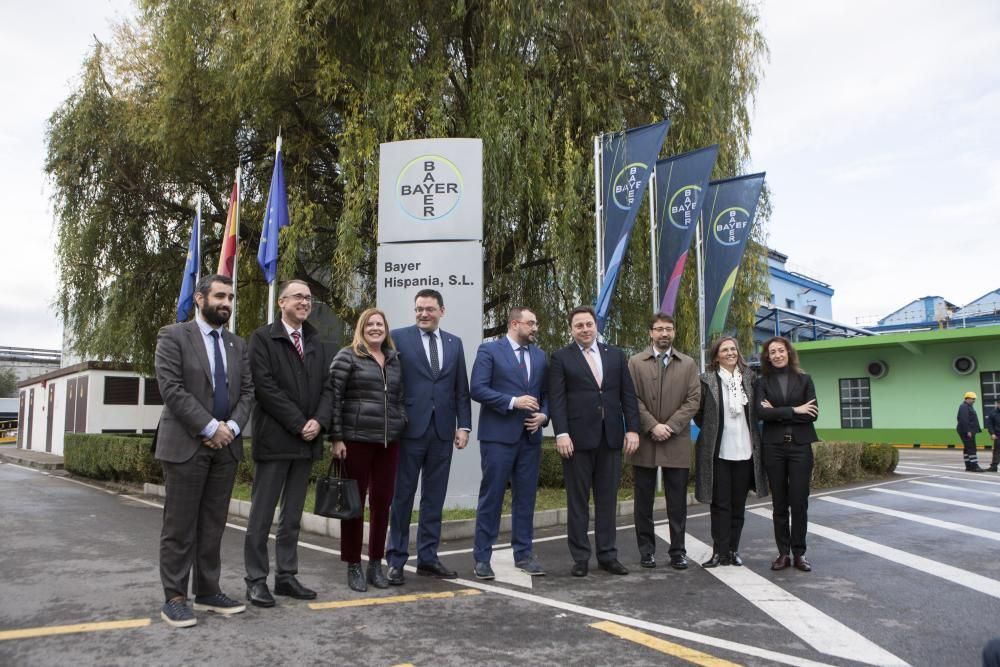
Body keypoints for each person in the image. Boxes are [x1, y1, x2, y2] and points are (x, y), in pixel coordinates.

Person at [154, 274, 254, 628]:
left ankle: (209, 590)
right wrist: (211, 427)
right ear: (200, 299)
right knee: (180, 526)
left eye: (230, 297)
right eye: (220, 296)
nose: (226, 303)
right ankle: (175, 598)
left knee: (213, 525)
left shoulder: (237, 345)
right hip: (186, 445)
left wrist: (231, 429)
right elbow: (172, 389)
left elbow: (247, 393)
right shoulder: (173, 336)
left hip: (225, 449)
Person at [243, 280, 334, 607]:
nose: (305, 302)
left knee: (292, 516)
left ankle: (285, 576)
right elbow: (264, 388)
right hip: (276, 441)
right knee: (262, 516)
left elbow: (328, 388)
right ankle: (255, 580)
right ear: (281, 301)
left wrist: (319, 422)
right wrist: (299, 423)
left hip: (306, 443)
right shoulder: (262, 338)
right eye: (298, 296)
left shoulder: (315, 341)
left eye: (308, 298)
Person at [385, 289, 471, 585]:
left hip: (442, 432)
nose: (423, 313)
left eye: (429, 309)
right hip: (409, 430)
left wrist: (464, 426)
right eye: (419, 309)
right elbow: (390, 383)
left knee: (434, 498)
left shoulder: (454, 343)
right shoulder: (397, 337)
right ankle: (395, 560)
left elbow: (461, 388)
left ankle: (428, 558)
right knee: (403, 497)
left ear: (441, 311)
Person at [549, 305, 640, 577]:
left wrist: (632, 429)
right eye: (579, 326)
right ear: (571, 329)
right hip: (576, 441)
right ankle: (580, 557)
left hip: (610, 437)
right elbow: (557, 399)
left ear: (596, 326)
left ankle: (608, 555)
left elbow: (627, 395)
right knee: (578, 501)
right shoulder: (560, 358)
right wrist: (561, 433)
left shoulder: (615, 355)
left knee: (607, 500)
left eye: (588, 324)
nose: (585, 329)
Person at [328, 308, 407, 592]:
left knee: (382, 504)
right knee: (354, 504)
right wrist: (336, 438)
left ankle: (375, 564)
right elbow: (333, 399)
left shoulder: (395, 361)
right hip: (356, 440)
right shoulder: (347, 356)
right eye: (370, 324)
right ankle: (353, 565)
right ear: (361, 328)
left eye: (380, 324)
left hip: (388, 443)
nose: (375, 328)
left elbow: (399, 398)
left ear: (386, 329)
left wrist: (401, 421)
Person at [469, 307, 549, 579]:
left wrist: (544, 415)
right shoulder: (489, 351)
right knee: (492, 498)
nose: (535, 327)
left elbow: (547, 394)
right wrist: (513, 402)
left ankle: (524, 555)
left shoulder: (540, 356)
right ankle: (482, 558)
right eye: (531, 322)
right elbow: (477, 388)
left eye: (535, 323)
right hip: (498, 438)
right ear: (515, 324)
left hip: (530, 437)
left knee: (525, 499)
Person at [626, 313, 699, 570]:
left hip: (675, 441)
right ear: (651, 333)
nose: (664, 334)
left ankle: (678, 551)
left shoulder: (688, 364)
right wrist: (652, 426)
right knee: (643, 501)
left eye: (668, 329)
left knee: (677, 502)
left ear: (674, 333)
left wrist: (669, 426)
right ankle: (646, 551)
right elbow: (631, 398)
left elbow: (693, 401)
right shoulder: (635, 362)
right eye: (659, 329)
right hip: (645, 441)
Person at [694, 336, 768, 568]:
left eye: (733, 349)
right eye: (724, 350)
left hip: (745, 452)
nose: (730, 353)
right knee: (720, 505)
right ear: (716, 356)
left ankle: (733, 550)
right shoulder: (706, 380)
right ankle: (719, 551)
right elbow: (699, 414)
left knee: (738, 505)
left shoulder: (751, 379)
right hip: (719, 453)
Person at [757, 336, 818, 572]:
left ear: (788, 353)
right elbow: (761, 414)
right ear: (767, 357)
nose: (777, 355)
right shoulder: (762, 382)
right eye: (772, 352)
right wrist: (794, 409)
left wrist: (778, 411)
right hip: (773, 447)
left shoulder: (805, 380)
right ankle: (783, 553)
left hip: (800, 447)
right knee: (779, 503)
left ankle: (799, 553)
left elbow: (812, 414)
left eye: (780, 350)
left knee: (799, 502)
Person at [958, 391, 984, 472]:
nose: (974, 400)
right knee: (972, 448)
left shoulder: (968, 406)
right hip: (967, 431)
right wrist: (968, 431)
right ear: (967, 398)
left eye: (974, 399)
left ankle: (969, 466)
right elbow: (964, 419)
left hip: (969, 430)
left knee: (967, 448)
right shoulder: (964, 407)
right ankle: (974, 466)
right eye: (973, 399)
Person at [984, 397, 1000, 473]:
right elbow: (989, 425)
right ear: (997, 404)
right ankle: (994, 467)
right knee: (996, 451)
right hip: (998, 435)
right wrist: (992, 433)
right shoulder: (992, 413)